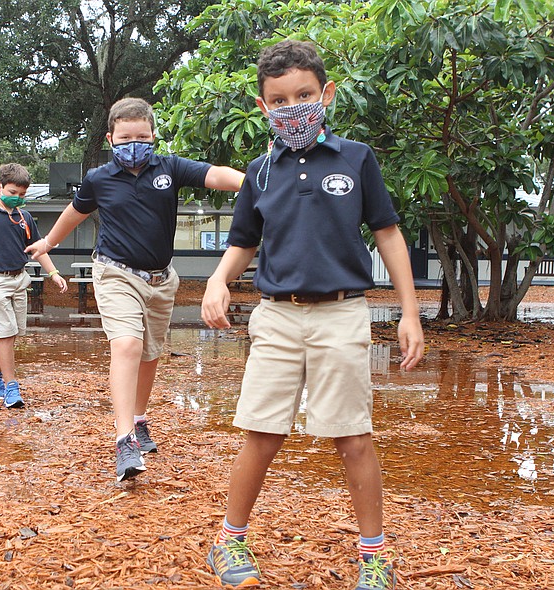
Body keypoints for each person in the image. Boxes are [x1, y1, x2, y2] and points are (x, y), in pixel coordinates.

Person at [201, 40, 424, 589]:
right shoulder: (260, 170)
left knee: (353, 437)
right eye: (279, 100)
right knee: (261, 431)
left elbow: (388, 234)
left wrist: (410, 312)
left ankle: (373, 554)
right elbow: (244, 241)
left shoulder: (357, 158)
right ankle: (229, 541)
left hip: (341, 315)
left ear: (325, 94)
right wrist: (216, 280)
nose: (292, 107)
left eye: (303, 95)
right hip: (276, 317)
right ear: (263, 107)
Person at [25, 97, 245, 482]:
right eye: (125, 137)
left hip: (161, 278)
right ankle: (124, 439)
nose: (134, 143)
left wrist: (254, 182)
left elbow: (216, 175)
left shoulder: (169, 167)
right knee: (127, 344)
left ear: (154, 136)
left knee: (149, 354)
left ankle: (139, 420)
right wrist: (49, 243)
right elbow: (74, 213)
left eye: (142, 136)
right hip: (115, 272)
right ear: (111, 138)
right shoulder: (99, 178)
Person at [0, 163, 68, 409]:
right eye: (12, 193)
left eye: (21, 195)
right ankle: (11, 386)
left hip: (19, 279)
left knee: (12, 334)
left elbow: (38, 248)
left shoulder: (25, 217)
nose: (17, 198)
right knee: (6, 334)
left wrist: (53, 272)